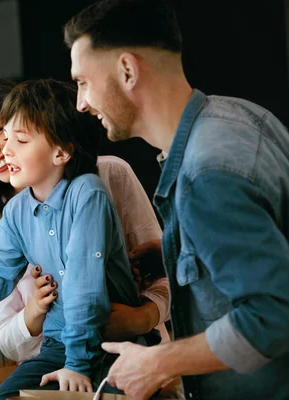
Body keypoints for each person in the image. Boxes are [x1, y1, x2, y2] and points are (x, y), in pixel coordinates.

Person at [65, 0, 289, 399]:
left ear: (128, 71)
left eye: (83, 81)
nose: (80, 103)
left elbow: (272, 317)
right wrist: (176, 250)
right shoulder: (242, 117)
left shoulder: (207, 173)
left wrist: (158, 362)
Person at [0, 78, 148, 398]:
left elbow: (85, 287)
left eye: (11, 135)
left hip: (111, 343)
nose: (0, 150)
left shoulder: (89, 192)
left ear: (61, 150)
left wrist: (78, 365)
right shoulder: (14, 212)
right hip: (57, 347)